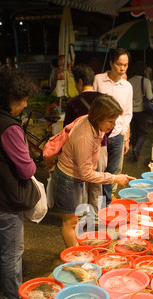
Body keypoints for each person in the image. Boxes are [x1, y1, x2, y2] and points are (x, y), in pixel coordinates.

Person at [0, 68, 39, 299]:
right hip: (6, 196)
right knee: (12, 250)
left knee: (2, 245)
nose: (25, 105)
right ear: (9, 97)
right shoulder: (9, 127)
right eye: (22, 99)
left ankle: (6, 291)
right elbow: (26, 170)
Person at [51, 94, 135, 248]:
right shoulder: (85, 136)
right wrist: (114, 178)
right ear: (98, 117)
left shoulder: (93, 123)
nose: (113, 125)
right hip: (68, 177)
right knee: (69, 223)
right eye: (110, 121)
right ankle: (76, 257)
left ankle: (76, 250)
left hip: (74, 175)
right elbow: (86, 173)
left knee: (73, 220)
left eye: (115, 121)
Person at [64, 63, 105, 218]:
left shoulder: (74, 102)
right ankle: (97, 217)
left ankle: (81, 218)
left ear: (80, 81)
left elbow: (67, 129)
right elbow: (112, 125)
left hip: (78, 149)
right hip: (101, 147)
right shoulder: (104, 100)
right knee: (97, 182)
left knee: (80, 183)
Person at [93, 48, 133, 206]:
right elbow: (92, 106)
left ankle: (106, 204)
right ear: (111, 63)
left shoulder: (127, 86)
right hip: (99, 134)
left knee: (113, 171)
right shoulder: (98, 80)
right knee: (98, 170)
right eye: (119, 64)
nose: (122, 68)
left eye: (125, 65)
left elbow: (128, 113)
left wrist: (124, 134)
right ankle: (96, 203)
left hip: (117, 135)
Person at [128, 60, 153, 161]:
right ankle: (136, 148)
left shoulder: (129, 81)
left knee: (134, 132)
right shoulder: (145, 81)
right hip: (141, 111)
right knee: (143, 133)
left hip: (130, 111)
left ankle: (135, 153)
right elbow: (149, 96)